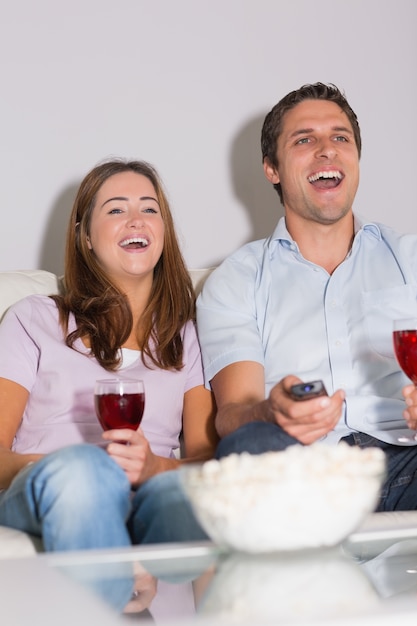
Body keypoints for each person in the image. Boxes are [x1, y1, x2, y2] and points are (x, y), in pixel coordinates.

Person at [197, 82, 417, 511]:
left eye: (340, 137)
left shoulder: (411, 258)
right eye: (304, 140)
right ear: (272, 169)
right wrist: (268, 412)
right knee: (248, 444)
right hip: (302, 471)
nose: (327, 150)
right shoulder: (237, 280)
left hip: (408, 461)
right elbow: (233, 414)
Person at [0, 159, 218, 557]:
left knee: (182, 504)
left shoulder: (189, 338)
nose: (136, 220)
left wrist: (154, 467)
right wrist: (64, 467)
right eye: (116, 209)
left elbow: (208, 465)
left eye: (149, 209)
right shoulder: (34, 319)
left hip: (146, 494)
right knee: (84, 474)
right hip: (49, 486)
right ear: (84, 236)